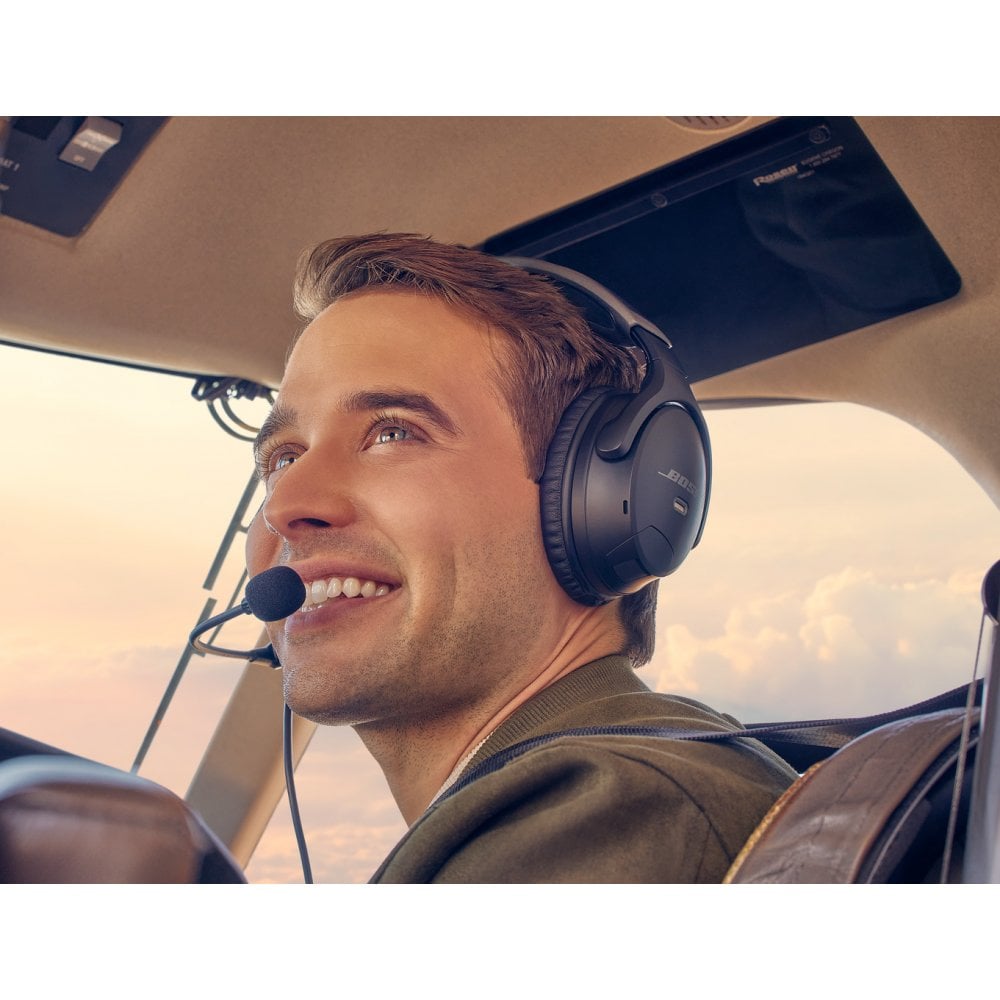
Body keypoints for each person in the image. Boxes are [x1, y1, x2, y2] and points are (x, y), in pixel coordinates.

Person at [246, 232, 796, 882]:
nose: (288, 504)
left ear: (601, 499)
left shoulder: (624, 813)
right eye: (283, 458)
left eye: (393, 432)